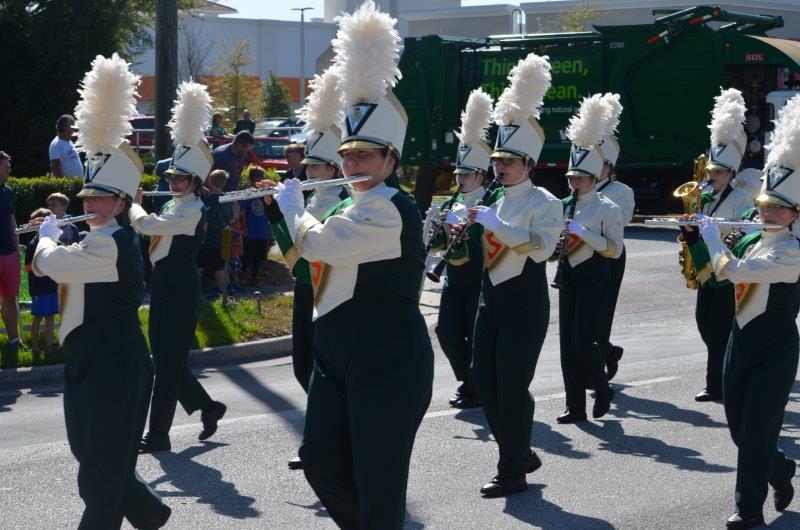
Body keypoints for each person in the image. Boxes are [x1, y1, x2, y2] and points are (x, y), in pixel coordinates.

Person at [274, 4, 433, 527]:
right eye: (347, 155)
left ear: (391, 160)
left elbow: (317, 245)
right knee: (321, 464)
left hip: (387, 356)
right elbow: (303, 260)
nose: (351, 164)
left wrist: (293, 209)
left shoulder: (391, 208)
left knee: (378, 481)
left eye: (365, 155)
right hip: (337, 351)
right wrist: (296, 212)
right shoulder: (348, 204)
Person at [31, 53, 170, 529]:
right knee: (88, 451)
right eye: (88, 197)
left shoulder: (111, 244)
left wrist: (45, 237)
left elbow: (49, 265)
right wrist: (57, 235)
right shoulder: (97, 237)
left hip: (115, 360)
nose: (90, 204)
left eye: (101, 198)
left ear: (121, 202)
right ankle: (149, 513)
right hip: (85, 355)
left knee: (100, 472)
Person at [696, 94, 800, 529]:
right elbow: (715, 278)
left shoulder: (791, 252)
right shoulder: (752, 237)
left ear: (794, 214)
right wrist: (706, 230)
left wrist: (714, 241)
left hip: (774, 348)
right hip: (739, 342)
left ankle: (748, 509)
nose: (768, 213)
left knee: (756, 431)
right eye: (764, 206)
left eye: (778, 208)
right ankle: (780, 468)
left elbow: (733, 271)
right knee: (740, 430)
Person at [463, 52, 562, 498]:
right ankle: (519, 452)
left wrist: (495, 224)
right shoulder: (492, 199)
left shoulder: (546, 202)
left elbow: (542, 249)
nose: (500, 167)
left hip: (524, 302)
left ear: (529, 164)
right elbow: (479, 252)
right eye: (498, 160)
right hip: (490, 300)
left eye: (509, 161)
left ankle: (511, 471)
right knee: (483, 381)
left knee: (512, 387)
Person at [133, 81, 226, 453]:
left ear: (195, 181)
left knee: (168, 363)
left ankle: (158, 434)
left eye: (180, 178)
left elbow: (146, 226)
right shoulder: (175, 204)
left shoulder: (192, 209)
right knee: (164, 359)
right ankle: (208, 406)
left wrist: (133, 204)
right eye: (170, 177)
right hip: (164, 283)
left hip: (182, 286)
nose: (172, 182)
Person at [263, 66, 349, 471]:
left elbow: (312, 244)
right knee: (302, 365)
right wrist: (273, 210)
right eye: (308, 167)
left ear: (333, 170)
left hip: (328, 291)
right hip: (305, 287)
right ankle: (324, 437)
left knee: (322, 370)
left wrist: (290, 211)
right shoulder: (308, 200)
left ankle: (322, 443)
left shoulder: (342, 204)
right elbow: (291, 246)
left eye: (317, 168)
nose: (308, 173)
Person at [555, 94, 624, 425]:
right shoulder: (563, 205)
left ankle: (601, 386)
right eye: (571, 178)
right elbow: (551, 249)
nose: (574, 183)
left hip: (595, 276)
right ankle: (575, 406)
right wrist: (557, 245)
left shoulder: (608, 208)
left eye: (580, 178)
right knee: (566, 345)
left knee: (582, 341)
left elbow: (614, 250)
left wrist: (583, 233)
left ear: (594, 178)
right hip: (568, 274)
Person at [681, 88, 753, 403]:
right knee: (704, 325)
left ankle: (717, 385)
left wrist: (713, 233)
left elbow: (741, 233)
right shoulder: (706, 197)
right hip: (706, 270)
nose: (714, 176)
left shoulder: (742, 198)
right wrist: (689, 229)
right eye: (712, 171)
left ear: (731, 173)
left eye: (719, 172)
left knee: (719, 330)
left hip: (727, 269)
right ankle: (729, 372)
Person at [429, 88, 496, 410]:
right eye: (459, 174)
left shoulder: (493, 201)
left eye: (467, 174)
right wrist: (437, 231)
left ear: (481, 175)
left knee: (475, 333)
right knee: (446, 332)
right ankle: (468, 380)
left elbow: (494, 240)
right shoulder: (450, 204)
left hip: (480, 278)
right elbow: (438, 246)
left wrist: (469, 231)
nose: (461, 179)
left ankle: (476, 385)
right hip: (453, 279)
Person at [594, 93, 635, 381]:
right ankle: (606, 352)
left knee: (602, 312)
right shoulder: (577, 189)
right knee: (584, 317)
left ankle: (598, 365)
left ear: (609, 166)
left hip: (609, 254)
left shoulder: (622, 191)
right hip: (581, 254)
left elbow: (623, 220)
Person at [24, 208, 58, 356]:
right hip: (39, 287)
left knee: (50, 317)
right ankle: (35, 347)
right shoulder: (33, 244)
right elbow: (27, 268)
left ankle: (49, 346)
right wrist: (40, 263)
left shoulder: (52, 242)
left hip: (51, 285)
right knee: (38, 317)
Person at [198, 169, 233, 298]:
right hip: (223, 237)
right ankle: (227, 290)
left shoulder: (208, 202)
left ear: (209, 182)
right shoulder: (227, 199)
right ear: (224, 183)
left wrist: (201, 238)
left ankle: (222, 294)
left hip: (210, 239)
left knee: (200, 265)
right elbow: (232, 218)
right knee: (222, 266)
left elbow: (206, 223)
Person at [0, 150, 20, 356]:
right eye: (6, 167)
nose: (9, 170)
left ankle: (14, 340)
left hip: (9, 253)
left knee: (10, 298)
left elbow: (11, 221)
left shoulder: (8, 191)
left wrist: (17, 248)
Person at [240, 166, 271, 285]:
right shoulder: (247, 193)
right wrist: (245, 228)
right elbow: (243, 212)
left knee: (259, 257)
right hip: (251, 231)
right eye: (263, 178)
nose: (264, 181)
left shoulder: (265, 193)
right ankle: (241, 277)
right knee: (247, 256)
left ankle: (254, 277)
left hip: (262, 231)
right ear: (256, 180)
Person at [228, 201, 245, 291]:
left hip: (237, 250)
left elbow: (240, 237)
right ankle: (234, 283)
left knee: (236, 267)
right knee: (231, 267)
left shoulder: (238, 223)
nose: (238, 212)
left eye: (238, 210)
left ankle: (236, 283)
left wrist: (241, 249)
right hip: (230, 250)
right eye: (236, 210)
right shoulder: (229, 224)